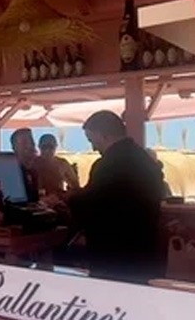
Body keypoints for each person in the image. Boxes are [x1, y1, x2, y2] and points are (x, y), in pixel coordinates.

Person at [67, 111, 165, 284]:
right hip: (146, 253)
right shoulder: (145, 160)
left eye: (92, 141)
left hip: (116, 259)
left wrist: (68, 200)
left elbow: (93, 207)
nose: (93, 148)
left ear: (102, 135)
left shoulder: (107, 165)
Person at [9, 127, 40, 202]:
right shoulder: (10, 172)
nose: (30, 146)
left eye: (32, 142)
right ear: (14, 147)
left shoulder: (35, 169)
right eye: (24, 143)